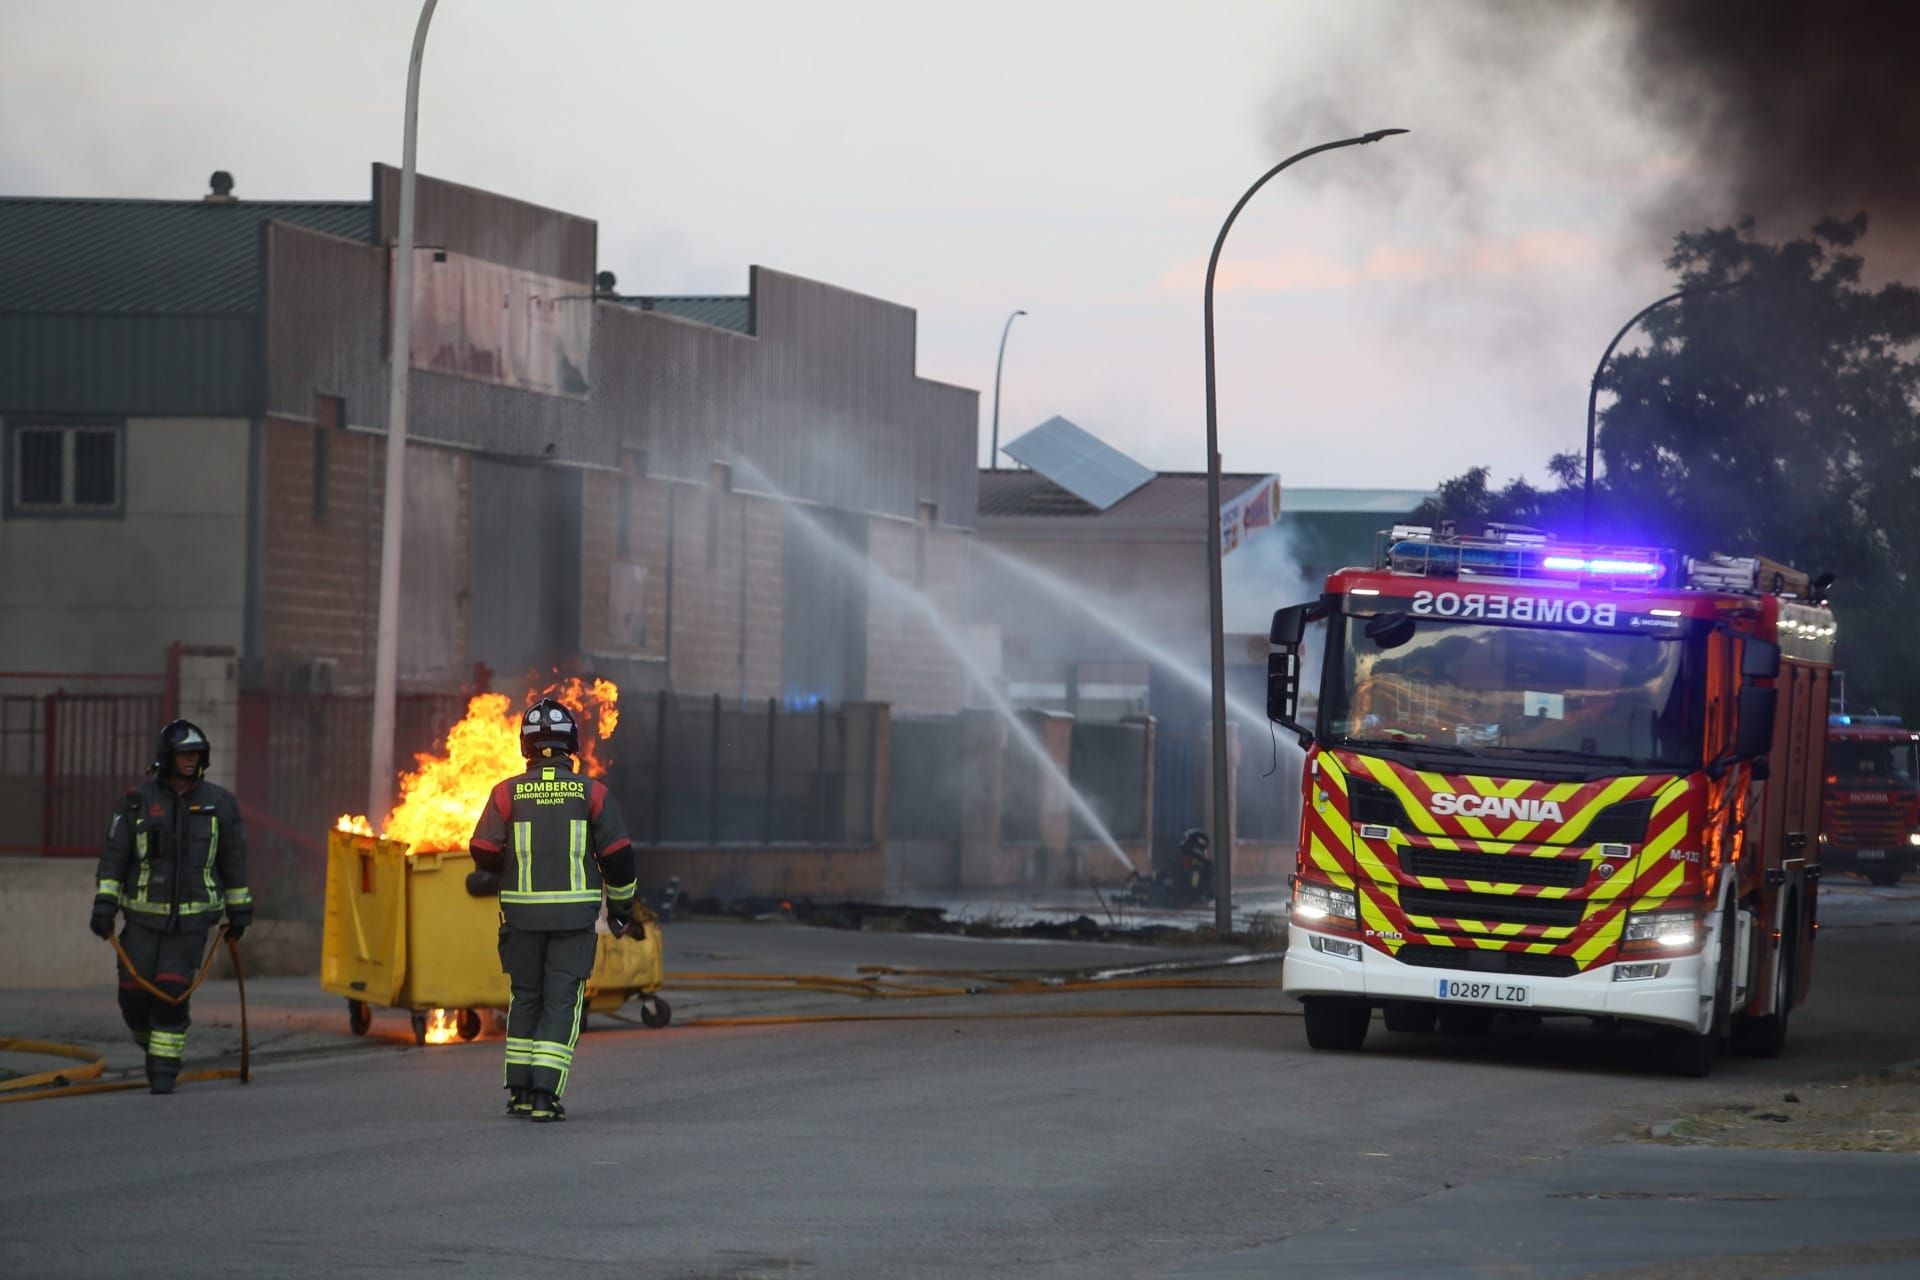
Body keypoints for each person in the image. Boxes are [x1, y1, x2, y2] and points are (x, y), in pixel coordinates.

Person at [467, 698, 637, 1123]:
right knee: (562, 1004)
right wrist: (621, 910)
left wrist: (505, 867)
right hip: (573, 922)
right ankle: (546, 1095)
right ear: (571, 744)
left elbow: (482, 849)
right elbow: (617, 858)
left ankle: (521, 1092)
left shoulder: (505, 793)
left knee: (524, 998)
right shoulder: (592, 793)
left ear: (526, 745)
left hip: (521, 920)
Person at [89, 719, 252, 1094]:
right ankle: (152, 1046)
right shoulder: (136, 803)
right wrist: (104, 906)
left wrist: (239, 911)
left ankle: (164, 1070)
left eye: (196, 754)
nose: (191, 760)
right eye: (183, 754)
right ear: (167, 757)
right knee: (132, 995)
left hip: (192, 925)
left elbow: (233, 860)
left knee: (172, 994)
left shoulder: (220, 804)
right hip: (142, 922)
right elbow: (115, 858)